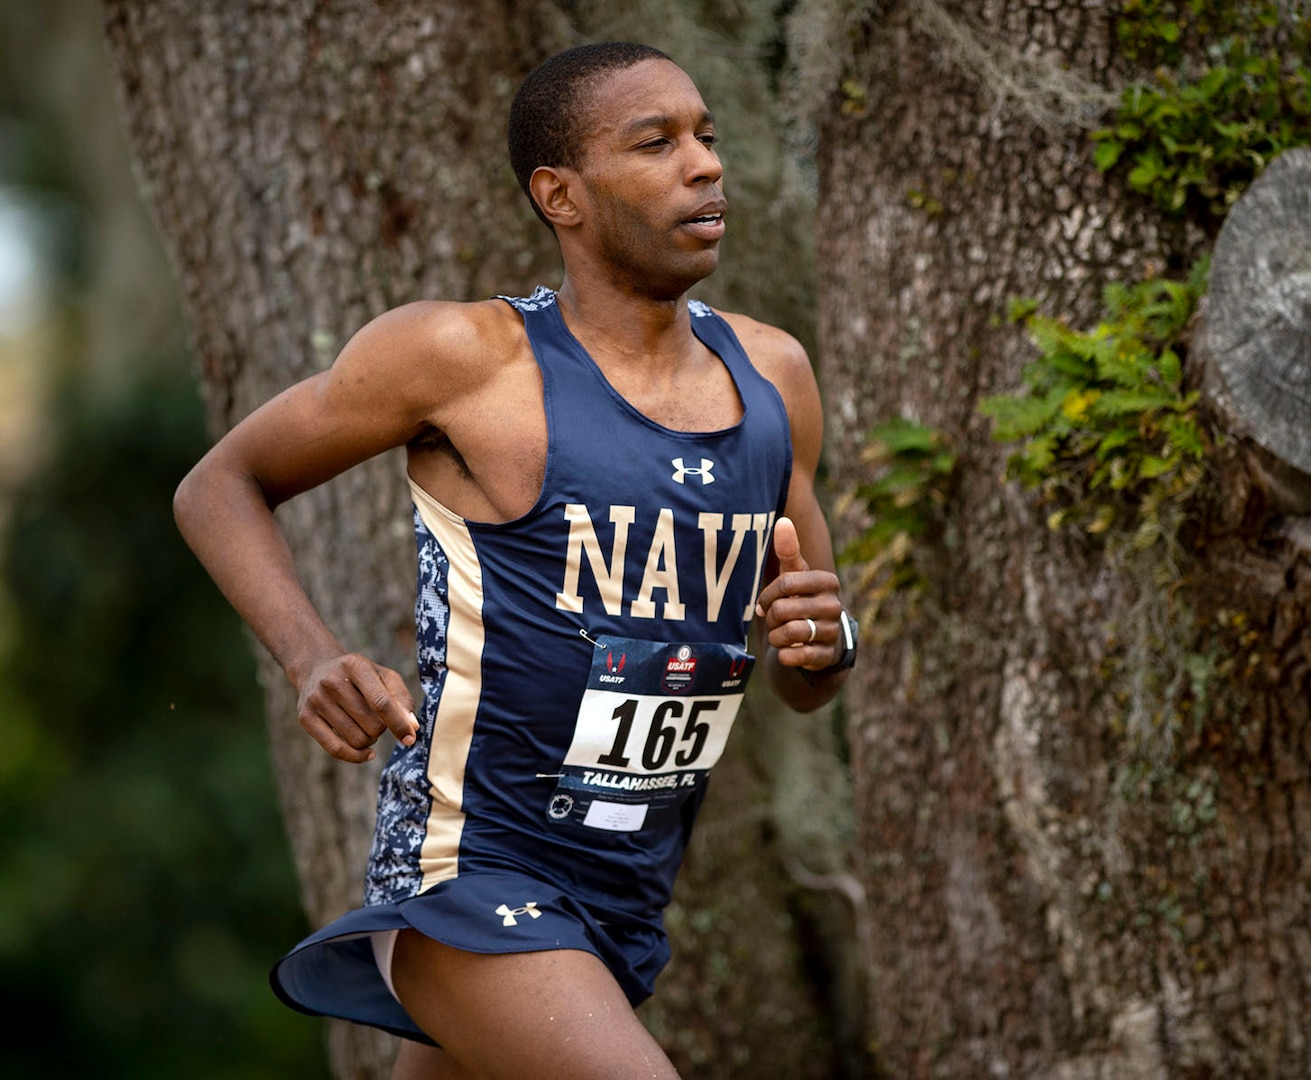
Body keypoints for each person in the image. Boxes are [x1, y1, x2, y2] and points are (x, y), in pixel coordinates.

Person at [174, 40, 857, 1080]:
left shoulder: (772, 376)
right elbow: (218, 486)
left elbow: (810, 672)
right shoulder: (468, 361)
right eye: (656, 142)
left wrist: (823, 643)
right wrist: (310, 656)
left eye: (708, 137)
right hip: (472, 869)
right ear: (561, 194)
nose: (705, 164)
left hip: (624, 895)